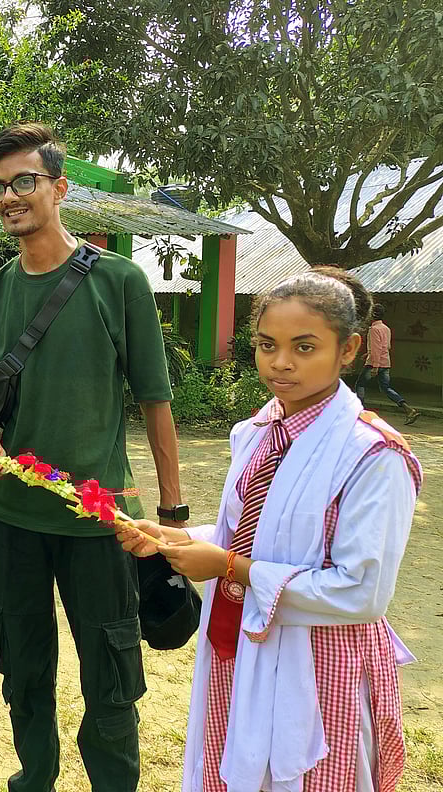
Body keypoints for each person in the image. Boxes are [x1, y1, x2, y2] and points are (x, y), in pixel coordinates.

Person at [119, 268, 421, 792]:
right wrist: (182, 539)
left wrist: (230, 568)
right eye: (266, 345)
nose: (281, 363)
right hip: (243, 646)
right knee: (233, 763)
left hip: (320, 662)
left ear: (348, 350)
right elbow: (256, 533)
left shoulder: (372, 455)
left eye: (304, 347)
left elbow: (361, 591)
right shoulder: (257, 431)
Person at [0, 123, 185, 792]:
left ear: (60, 188)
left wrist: (172, 513)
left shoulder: (118, 281)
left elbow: (155, 402)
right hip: (13, 519)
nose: (9, 196)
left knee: (111, 679)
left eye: (24, 181)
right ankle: (36, 779)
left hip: (102, 522)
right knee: (23, 670)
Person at [355, 304, 419, 425]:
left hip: (375, 363)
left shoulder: (373, 329)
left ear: (372, 315)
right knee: (386, 388)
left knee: (360, 384)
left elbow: (377, 349)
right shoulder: (386, 328)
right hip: (385, 362)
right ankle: (409, 409)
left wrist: (375, 365)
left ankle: (360, 412)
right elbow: (386, 347)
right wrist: (368, 353)